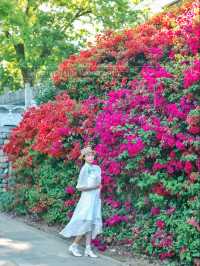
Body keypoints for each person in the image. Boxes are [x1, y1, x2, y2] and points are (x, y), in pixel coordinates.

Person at [59, 145, 102, 258]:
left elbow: (98, 184)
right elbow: (79, 187)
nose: (91, 157)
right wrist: (94, 187)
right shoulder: (84, 169)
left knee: (90, 224)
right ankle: (74, 245)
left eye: (92, 154)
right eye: (88, 155)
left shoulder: (97, 168)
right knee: (86, 223)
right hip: (87, 199)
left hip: (95, 199)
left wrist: (98, 188)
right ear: (84, 158)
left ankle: (88, 249)